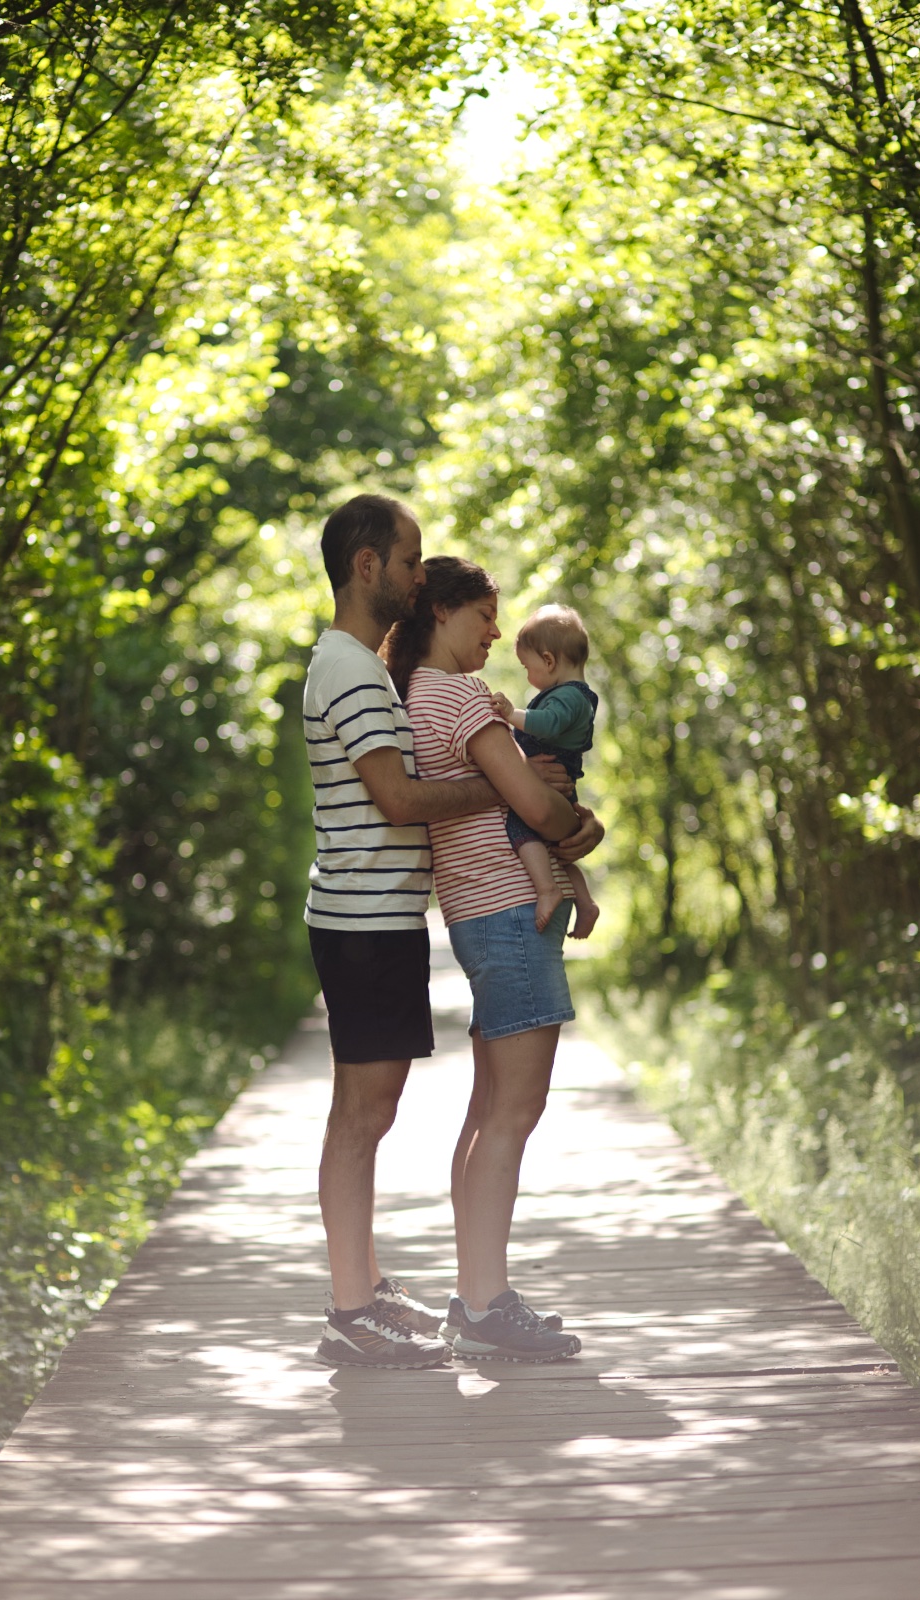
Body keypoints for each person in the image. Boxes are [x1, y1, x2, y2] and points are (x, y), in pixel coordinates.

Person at [304, 495, 603, 1370]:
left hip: (392, 916)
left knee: (392, 1111)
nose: (414, 573)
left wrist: (534, 803)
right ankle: (383, 1305)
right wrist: (542, 808)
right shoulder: (366, 674)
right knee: (373, 1117)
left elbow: (417, 794)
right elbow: (405, 799)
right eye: (407, 561)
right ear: (370, 567)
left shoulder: (377, 676)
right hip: (370, 919)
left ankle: (383, 1292)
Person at [384, 557, 605, 1363]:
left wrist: (554, 809)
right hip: (510, 913)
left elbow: (527, 796)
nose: (497, 632)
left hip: (485, 913)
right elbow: (538, 805)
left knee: (488, 1113)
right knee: (513, 1112)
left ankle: (476, 1295)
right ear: (442, 613)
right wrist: (586, 828)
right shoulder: (457, 695)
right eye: (484, 615)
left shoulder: (417, 692)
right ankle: (484, 1303)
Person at [489, 604, 602, 940]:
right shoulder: (571, 695)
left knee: (521, 827)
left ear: (550, 661)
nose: (528, 675)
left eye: (528, 667)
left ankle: (547, 888)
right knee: (561, 848)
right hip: (559, 780)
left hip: (552, 778)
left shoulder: (568, 698)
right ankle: (585, 902)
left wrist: (511, 714)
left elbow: (547, 724)